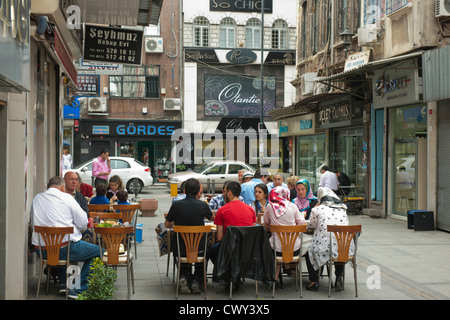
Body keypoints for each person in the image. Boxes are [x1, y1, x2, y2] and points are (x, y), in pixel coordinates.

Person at [31, 176, 102, 299]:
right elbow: (83, 222)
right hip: (63, 249)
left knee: (69, 246)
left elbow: (33, 222)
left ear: (48, 187)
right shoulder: (67, 197)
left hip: (41, 250)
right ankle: (77, 289)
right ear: (62, 187)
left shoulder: (37, 198)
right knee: (99, 252)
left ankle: (65, 283)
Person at [165, 178, 213, 295]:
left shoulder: (176, 205)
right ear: (198, 191)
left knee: (180, 249)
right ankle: (196, 280)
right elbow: (213, 219)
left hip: (180, 249)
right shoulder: (203, 205)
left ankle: (183, 277)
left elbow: (167, 224)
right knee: (205, 251)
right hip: (199, 249)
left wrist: (175, 221)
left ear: (185, 190)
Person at [305, 187, 353, 292]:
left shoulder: (318, 209)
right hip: (344, 249)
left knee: (309, 251)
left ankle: (314, 281)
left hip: (324, 248)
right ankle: (339, 274)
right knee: (337, 248)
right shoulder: (342, 208)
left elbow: (310, 225)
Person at [207, 181, 256, 267]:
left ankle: (223, 270)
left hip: (228, 248)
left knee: (210, 250)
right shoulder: (251, 210)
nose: (224, 193)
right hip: (247, 249)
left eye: (225, 191)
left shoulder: (222, 210)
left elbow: (219, 237)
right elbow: (253, 231)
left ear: (229, 192)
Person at [264, 186, 306, 281]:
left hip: (276, 248)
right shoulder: (293, 206)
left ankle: (275, 277)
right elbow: (302, 224)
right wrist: (302, 215)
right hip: (293, 249)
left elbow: (266, 222)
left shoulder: (270, 206)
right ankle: (288, 267)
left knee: (275, 247)